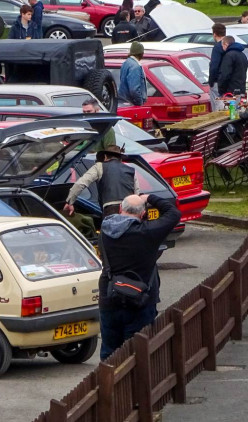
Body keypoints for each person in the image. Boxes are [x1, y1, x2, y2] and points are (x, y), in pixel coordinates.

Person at [98, 192, 181, 359]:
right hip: (140, 300)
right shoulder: (147, 233)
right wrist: (149, 197)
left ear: (120, 208)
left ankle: (109, 384)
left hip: (110, 296)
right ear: (143, 214)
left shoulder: (105, 230)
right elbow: (174, 213)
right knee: (137, 355)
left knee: (109, 352)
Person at [63, 144, 139, 216]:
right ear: (120, 158)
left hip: (111, 210)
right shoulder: (131, 170)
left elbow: (80, 184)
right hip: (130, 209)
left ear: (105, 156)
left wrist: (69, 202)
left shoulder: (99, 166)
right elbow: (137, 193)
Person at [208, 23, 247, 90]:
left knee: (217, 100)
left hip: (221, 83)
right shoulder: (239, 51)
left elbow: (214, 67)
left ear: (214, 34)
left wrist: (211, 82)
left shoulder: (218, 47)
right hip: (237, 85)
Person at [118, 42, 147, 106]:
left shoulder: (126, 63)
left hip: (124, 101)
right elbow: (134, 90)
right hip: (132, 104)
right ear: (141, 54)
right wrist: (140, 103)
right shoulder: (135, 67)